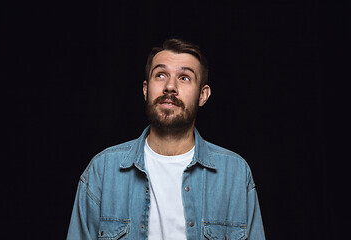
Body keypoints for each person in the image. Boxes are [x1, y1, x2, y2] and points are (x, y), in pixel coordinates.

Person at [67, 38, 266, 239]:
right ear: (146, 90)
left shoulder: (235, 174)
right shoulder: (103, 170)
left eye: (185, 77)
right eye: (161, 75)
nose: (170, 86)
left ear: (203, 95)